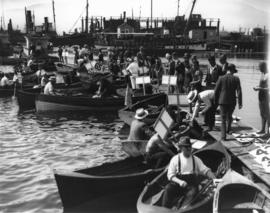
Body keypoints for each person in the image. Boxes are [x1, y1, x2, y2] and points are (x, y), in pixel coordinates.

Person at [162, 136, 216, 208]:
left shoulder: (196, 159)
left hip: (191, 186)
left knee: (192, 192)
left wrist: (215, 179)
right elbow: (170, 175)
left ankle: (182, 209)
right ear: (181, 148)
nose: (189, 148)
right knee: (168, 188)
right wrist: (180, 181)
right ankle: (164, 209)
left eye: (189, 146)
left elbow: (206, 170)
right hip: (178, 185)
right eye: (186, 147)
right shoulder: (175, 159)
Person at [214, 63, 242, 140]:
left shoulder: (221, 78)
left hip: (222, 101)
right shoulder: (236, 79)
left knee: (223, 119)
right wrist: (240, 102)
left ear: (227, 70)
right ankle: (228, 130)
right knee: (229, 116)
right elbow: (239, 91)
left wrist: (215, 101)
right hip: (232, 101)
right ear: (233, 70)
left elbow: (216, 91)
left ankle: (223, 137)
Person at [253, 62, 270, 135]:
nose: (259, 69)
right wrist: (257, 87)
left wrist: (259, 88)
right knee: (262, 114)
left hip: (266, 98)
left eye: (259, 67)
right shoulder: (262, 74)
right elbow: (262, 85)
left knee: (268, 114)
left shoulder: (268, 75)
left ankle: (268, 131)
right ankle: (263, 129)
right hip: (261, 97)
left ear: (263, 67)